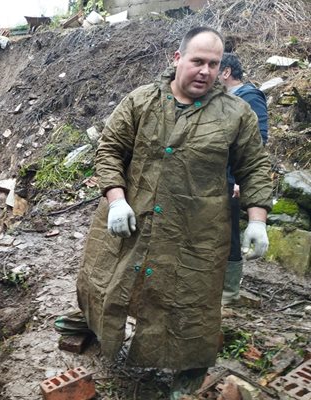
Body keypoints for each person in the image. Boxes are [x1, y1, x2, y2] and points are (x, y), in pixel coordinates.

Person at [76, 27, 272, 399]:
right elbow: (110, 150)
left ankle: (189, 368)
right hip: (133, 217)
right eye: (198, 61)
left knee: (192, 298)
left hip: (197, 229)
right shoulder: (141, 101)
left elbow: (255, 167)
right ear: (177, 58)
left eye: (213, 64)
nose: (205, 71)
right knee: (107, 277)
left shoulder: (236, 113)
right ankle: (94, 325)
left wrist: (258, 220)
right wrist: (116, 199)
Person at [218, 52, 269, 305]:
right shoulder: (220, 99)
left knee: (230, 234)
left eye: (214, 67)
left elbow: (258, 140)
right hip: (215, 177)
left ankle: (228, 292)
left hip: (232, 177)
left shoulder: (249, 96)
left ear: (226, 72)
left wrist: (240, 180)